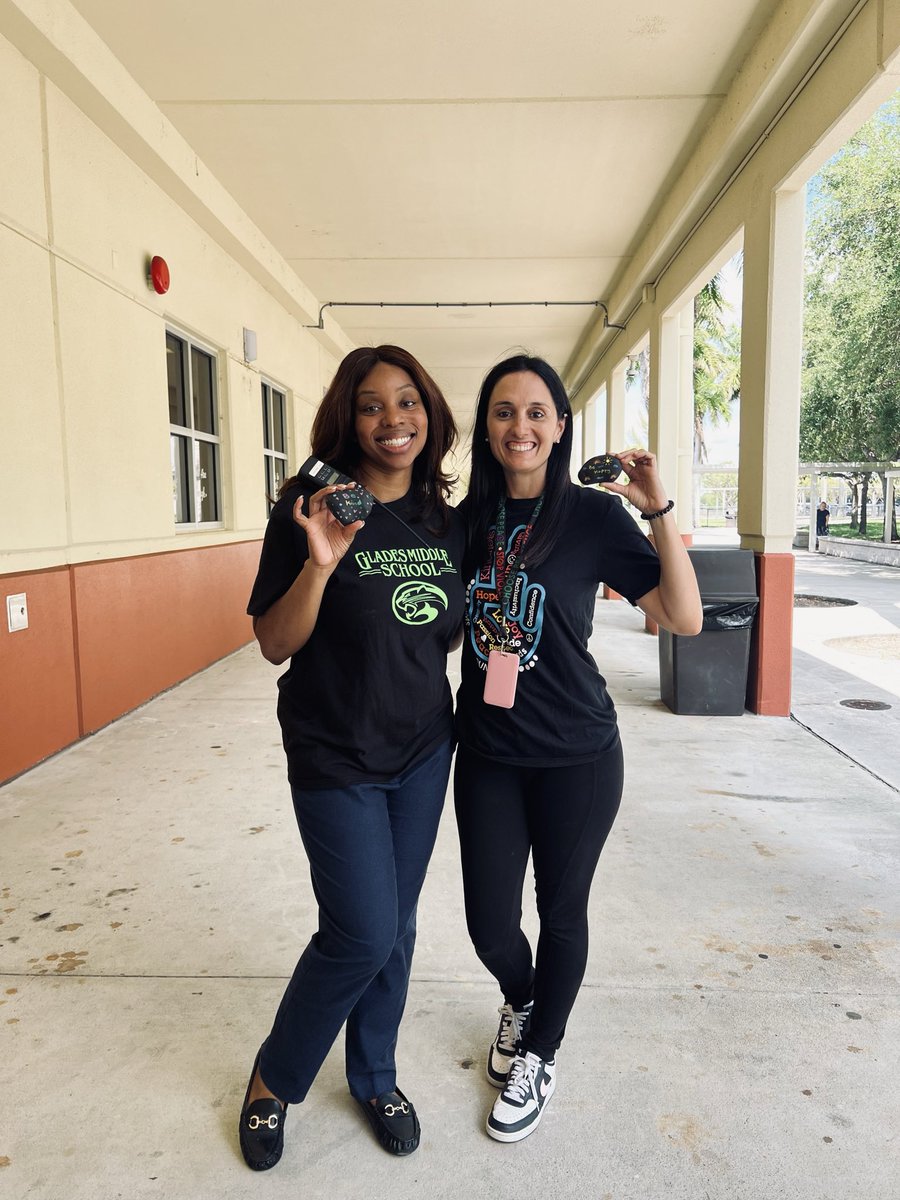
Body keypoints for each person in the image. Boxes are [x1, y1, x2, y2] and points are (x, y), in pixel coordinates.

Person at [454, 354, 702, 1143]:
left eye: (535, 412)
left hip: (577, 755)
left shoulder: (592, 518)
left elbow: (684, 617)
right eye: (502, 411)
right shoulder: (468, 520)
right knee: (491, 923)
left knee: (561, 913)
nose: (518, 427)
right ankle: (523, 1000)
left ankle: (543, 1050)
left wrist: (657, 507)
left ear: (559, 427)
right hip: (488, 749)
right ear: (486, 427)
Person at [239, 345, 465, 1169]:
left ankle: (374, 1075)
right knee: (360, 932)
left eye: (408, 401)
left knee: (395, 930)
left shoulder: (449, 521)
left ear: (430, 414)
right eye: (372, 404)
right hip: (334, 751)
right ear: (348, 417)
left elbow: (455, 626)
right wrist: (322, 566)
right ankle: (277, 1076)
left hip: (421, 752)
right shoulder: (308, 505)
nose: (393, 419)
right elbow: (274, 642)